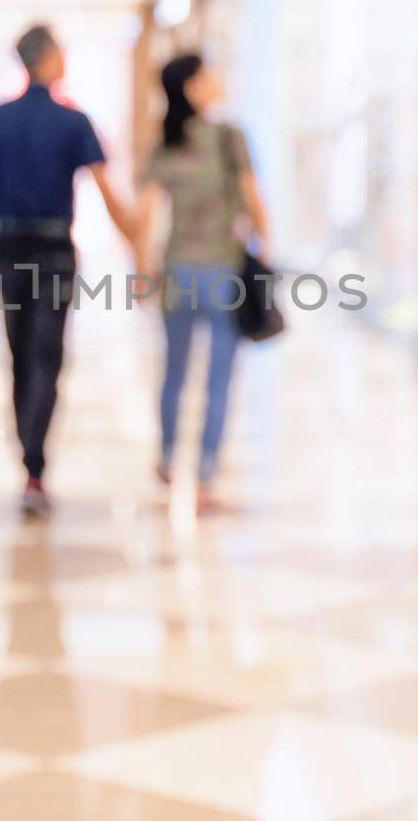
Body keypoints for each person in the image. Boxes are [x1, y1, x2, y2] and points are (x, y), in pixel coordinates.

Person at [0, 24, 135, 517]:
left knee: (17, 351)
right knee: (48, 355)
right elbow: (107, 193)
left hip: (9, 246)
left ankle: (29, 459)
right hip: (55, 249)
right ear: (51, 59)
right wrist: (137, 244)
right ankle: (36, 465)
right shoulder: (74, 122)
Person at [135, 53, 270, 513]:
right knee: (218, 379)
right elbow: (254, 205)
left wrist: (141, 271)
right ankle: (206, 476)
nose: (218, 80)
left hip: (177, 273)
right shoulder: (231, 139)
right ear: (191, 87)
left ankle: (169, 460)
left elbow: (147, 214)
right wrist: (263, 249)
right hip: (223, 273)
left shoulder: (166, 145)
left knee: (173, 373)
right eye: (209, 75)